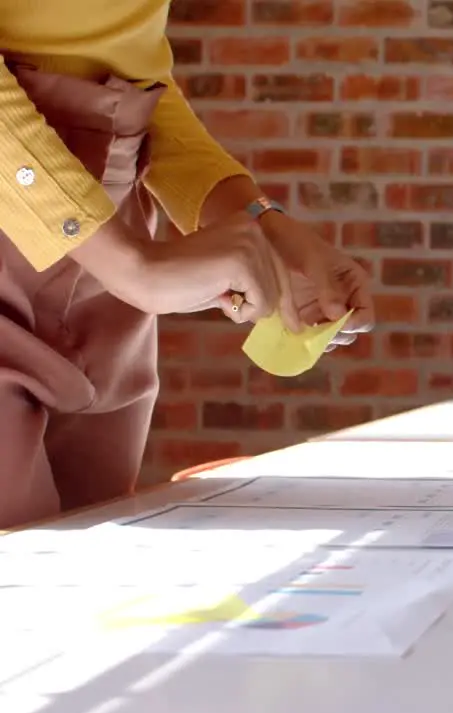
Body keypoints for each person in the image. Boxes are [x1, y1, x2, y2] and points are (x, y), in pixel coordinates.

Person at [0, 1, 376, 529]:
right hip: (79, 239)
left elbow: (130, 66)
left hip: (110, 239)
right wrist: (132, 265)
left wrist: (259, 220)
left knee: (87, 567)